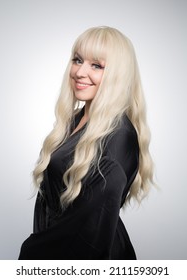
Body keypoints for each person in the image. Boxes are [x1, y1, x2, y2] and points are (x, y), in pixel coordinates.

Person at [18, 26, 154, 260]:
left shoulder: (120, 135)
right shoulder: (74, 121)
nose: (80, 72)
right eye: (77, 60)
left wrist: (31, 254)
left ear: (118, 75)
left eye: (97, 65)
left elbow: (90, 228)